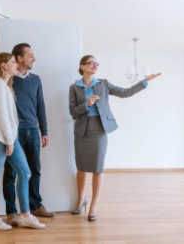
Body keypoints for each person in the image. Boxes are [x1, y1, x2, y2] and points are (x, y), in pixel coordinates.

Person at [69, 55, 161, 221]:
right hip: (82, 130)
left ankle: (94, 205)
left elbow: (125, 93)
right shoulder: (74, 87)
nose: (95, 65)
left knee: (97, 167)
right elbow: (72, 111)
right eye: (91, 63)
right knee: (81, 167)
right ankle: (80, 200)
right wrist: (86, 104)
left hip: (99, 129)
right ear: (82, 66)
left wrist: (144, 82)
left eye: (97, 63)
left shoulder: (103, 84)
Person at [0, 44, 54, 227]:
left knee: (33, 170)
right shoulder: (6, 80)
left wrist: (44, 131)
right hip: (12, 132)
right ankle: (11, 213)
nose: (34, 58)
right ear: (19, 58)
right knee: (11, 173)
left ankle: (34, 206)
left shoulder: (35, 79)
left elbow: (41, 106)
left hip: (32, 130)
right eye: (30, 55)